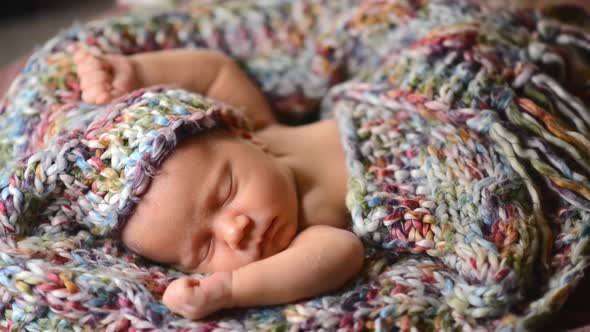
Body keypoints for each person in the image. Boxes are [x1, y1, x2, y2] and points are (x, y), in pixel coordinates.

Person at [73, 47, 365, 320]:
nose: (234, 230)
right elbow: (341, 254)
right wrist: (231, 289)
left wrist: (135, 72)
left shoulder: (260, 130)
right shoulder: (312, 229)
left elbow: (216, 74)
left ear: (247, 139)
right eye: (205, 248)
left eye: (227, 193)